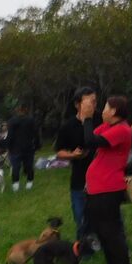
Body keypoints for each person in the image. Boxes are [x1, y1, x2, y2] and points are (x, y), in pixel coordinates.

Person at [78, 95, 132, 264]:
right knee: (102, 230)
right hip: (98, 188)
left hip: (108, 188)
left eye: (105, 108)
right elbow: (90, 135)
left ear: (114, 111)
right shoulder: (109, 127)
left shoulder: (122, 129)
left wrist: (87, 118)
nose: (102, 111)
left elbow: (91, 142)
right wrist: (87, 114)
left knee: (111, 231)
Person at [55, 88, 99, 241]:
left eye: (95, 101)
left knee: (104, 217)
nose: (93, 105)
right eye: (89, 102)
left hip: (101, 178)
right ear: (77, 104)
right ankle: (83, 247)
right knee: (81, 217)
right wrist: (73, 155)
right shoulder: (68, 126)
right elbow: (59, 152)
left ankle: (104, 243)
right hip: (79, 178)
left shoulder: (101, 120)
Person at [5, 103, 40, 192]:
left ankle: (15, 185)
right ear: (26, 110)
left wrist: (7, 146)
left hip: (15, 148)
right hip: (28, 147)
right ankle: (29, 183)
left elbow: (10, 136)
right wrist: (37, 145)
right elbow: (36, 134)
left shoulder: (11, 121)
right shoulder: (31, 120)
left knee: (15, 167)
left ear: (17, 110)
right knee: (29, 166)